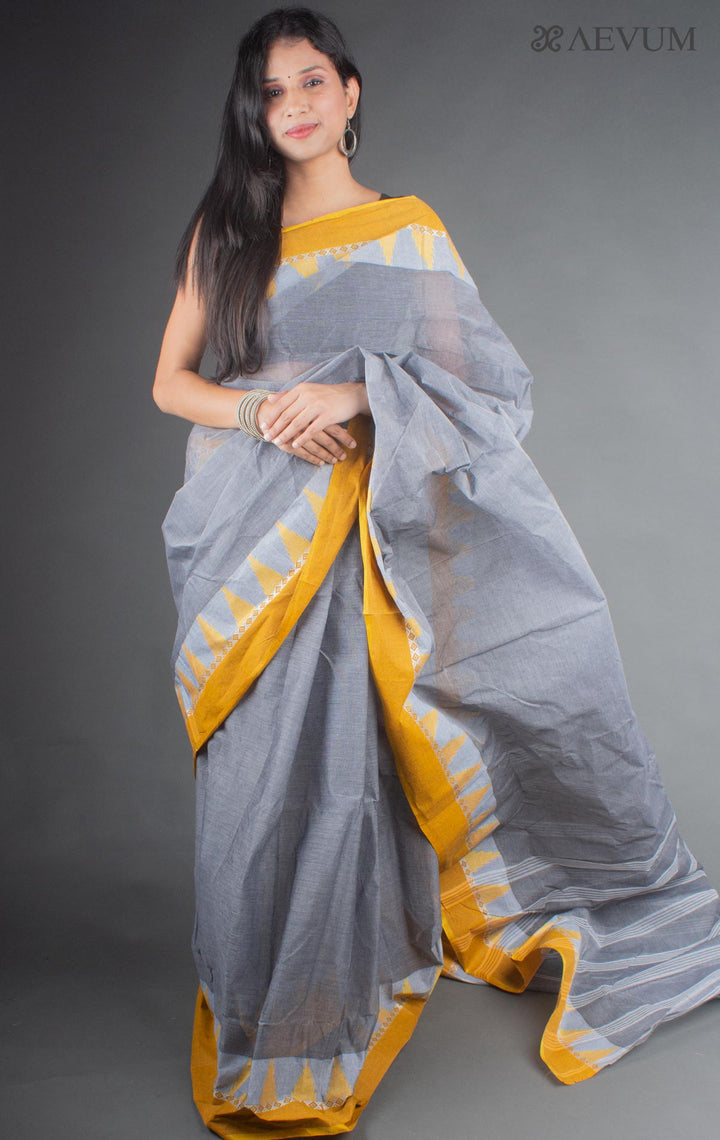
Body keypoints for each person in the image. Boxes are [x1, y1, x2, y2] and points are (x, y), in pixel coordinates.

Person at [153, 7, 720, 1138]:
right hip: (256, 544)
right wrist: (263, 412)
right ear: (254, 110)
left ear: (350, 93)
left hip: (390, 533)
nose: (294, 105)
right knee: (263, 778)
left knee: (365, 761)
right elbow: (173, 383)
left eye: (312, 82)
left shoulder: (408, 233)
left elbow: (486, 394)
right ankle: (281, 1009)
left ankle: (381, 956)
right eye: (272, 91)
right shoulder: (231, 226)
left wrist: (360, 393)